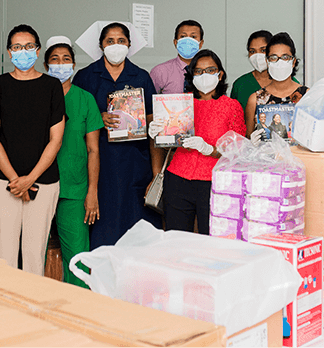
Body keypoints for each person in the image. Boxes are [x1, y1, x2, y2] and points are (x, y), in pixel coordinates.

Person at [72, 22, 163, 249]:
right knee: (103, 231)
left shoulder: (141, 77)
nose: (116, 45)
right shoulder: (85, 77)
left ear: (129, 45)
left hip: (135, 166)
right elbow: (73, 121)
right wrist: (97, 117)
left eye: (121, 41)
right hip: (98, 166)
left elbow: (152, 127)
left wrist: (155, 174)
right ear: (101, 45)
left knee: (136, 232)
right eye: (110, 41)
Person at [0, 25, 65, 274]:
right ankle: (5, 309)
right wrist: (14, 180)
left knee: (34, 254)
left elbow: (56, 140)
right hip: (2, 181)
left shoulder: (52, 86)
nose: (23, 52)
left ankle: (33, 309)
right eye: (17, 47)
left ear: (38, 50)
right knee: (5, 255)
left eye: (29, 46)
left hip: (43, 181)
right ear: (9, 52)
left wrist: (29, 179)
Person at [148, 50, 245, 234]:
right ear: (191, 76)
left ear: (220, 74)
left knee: (212, 238)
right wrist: (157, 133)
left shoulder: (231, 106)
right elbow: (171, 140)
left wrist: (209, 149)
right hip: (177, 178)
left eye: (210, 70)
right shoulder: (181, 104)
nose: (204, 75)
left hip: (214, 182)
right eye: (199, 71)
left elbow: (237, 150)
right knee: (176, 237)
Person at [44, 36, 102, 288]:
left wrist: (92, 192)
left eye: (66, 59)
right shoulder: (37, 95)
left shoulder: (85, 99)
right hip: (38, 186)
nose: (61, 64)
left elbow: (93, 150)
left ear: (74, 64)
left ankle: (78, 310)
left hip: (75, 189)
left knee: (77, 259)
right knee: (32, 255)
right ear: (45, 65)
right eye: (54, 59)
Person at [245, 32, 308, 138]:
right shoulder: (255, 99)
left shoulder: (307, 95)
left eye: (285, 57)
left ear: (293, 62)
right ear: (267, 62)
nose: (279, 62)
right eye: (273, 58)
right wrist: (252, 143)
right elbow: (248, 138)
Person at [150, 20, 204, 94]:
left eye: (193, 36)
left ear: (201, 44)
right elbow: (149, 101)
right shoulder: (160, 71)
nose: (188, 41)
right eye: (183, 36)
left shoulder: (209, 71)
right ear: (175, 42)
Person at [229, 30, 273, 111]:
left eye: (263, 50)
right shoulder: (240, 85)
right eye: (252, 51)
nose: (257, 56)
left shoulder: (287, 82)